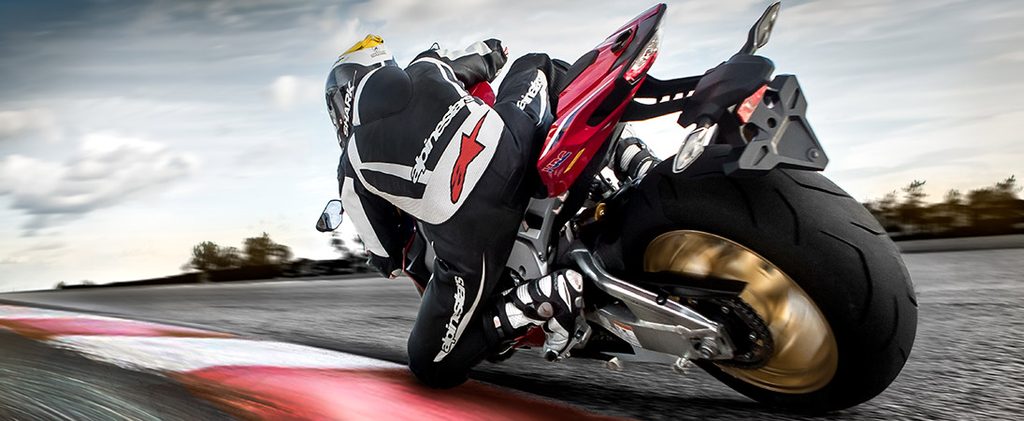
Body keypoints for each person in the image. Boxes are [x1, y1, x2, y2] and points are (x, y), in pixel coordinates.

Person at [323, 34, 585, 388]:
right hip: (513, 145)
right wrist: (494, 54)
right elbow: (490, 54)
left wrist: (386, 258)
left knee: (429, 364)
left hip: (475, 230)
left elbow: (387, 254)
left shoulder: (350, 164)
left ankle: (539, 298)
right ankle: (630, 156)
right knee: (537, 63)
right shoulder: (427, 64)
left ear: (344, 93)